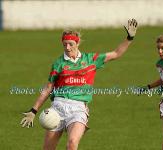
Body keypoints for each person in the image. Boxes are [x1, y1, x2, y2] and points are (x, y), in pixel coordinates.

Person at [20, 19, 138, 150]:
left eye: (70, 44)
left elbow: (116, 53)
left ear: (77, 43)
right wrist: (33, 110)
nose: (67, 48)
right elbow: (48, 88)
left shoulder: (90, 59)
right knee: (48, 148)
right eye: (64, 44)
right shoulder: (58, 63)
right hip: (57, 108)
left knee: (72, 143)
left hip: (78, 109)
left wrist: (129, 37)